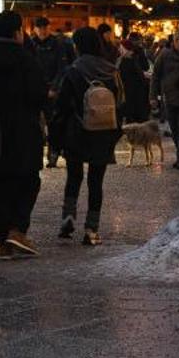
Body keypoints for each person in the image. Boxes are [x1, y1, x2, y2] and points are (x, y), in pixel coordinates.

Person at [0, 12, 47, 257]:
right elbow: (39, 95)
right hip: (24, 132)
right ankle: (16, 230)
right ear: (18, 32)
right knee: (27, 181)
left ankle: (2, 234)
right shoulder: (26, 59)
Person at [53, 27, 123, 245]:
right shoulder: (112, 71)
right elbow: (120, 105)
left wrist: (56, 136)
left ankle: (68, 217)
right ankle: (92, 229)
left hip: (77, 131)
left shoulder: (73, 71)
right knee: (96, 181)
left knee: (74, 177)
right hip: (103, 133)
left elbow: (62, 106)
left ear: (78, 45)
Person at [29, 17, 74, 169]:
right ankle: (35, 154)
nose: (42, 30)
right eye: (39, 27)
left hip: (52, 90)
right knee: (34, 125)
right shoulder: (30, 44)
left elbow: (62, 68)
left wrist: (54, 88)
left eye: (44, 27)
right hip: (36, 90)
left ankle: (53, 154)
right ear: (34, 28)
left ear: (49, 28)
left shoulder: (58, 44)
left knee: (53, 124)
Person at [155, 35, 179, 164]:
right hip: (170, 98)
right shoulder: (165, 55)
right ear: (175, 41)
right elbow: (156, 75)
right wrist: (152, 97)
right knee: (174, 129)